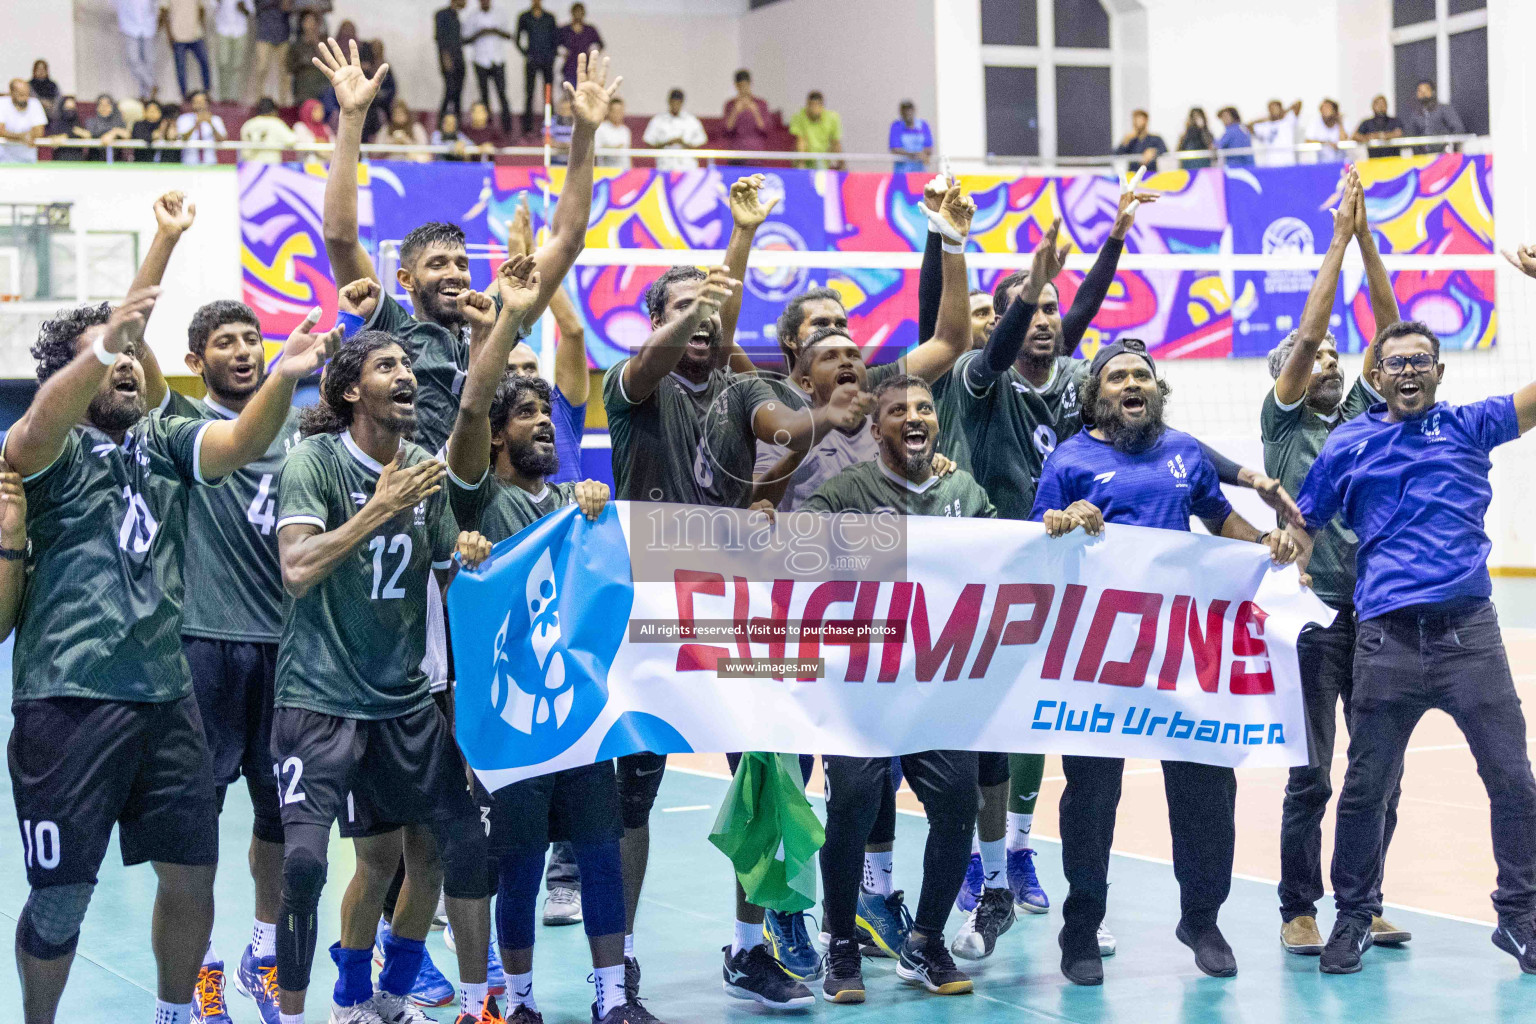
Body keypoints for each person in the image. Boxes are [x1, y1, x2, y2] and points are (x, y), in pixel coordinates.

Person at [319, 36, 610, 1005]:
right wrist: (354, 119)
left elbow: (564, 245)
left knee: (460, 806)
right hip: (409, 560)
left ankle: (433, 971)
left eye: (460, 258)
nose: (454, 270)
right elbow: (338, 240)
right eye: (435, 261)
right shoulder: (388, 338)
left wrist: (582, 144)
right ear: (408, 280)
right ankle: (359, 972)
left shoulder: (498, 326)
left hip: (478, 538)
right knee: (399, 823)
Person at [2, 236, 333, 1024]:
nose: (124, 366)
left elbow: (238, 442)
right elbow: (39, 421)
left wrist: (285, 378)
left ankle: (174, 1014)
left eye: (129, 358)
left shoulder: (164, 440)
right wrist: (115, 328)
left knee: (191, 872)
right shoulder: (39, 455)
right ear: (70, 375)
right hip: (69, 700)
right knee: (62, 900)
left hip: (167, 696)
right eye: (105, 357)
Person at [1288, 245, 1536, 973]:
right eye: (1394, 362)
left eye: (1419, 360)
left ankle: (1520, 916)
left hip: (1471, 638)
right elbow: (1304, 524)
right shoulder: (1348, 443)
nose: (1407, 370)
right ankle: (1353, 918)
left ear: (1438, 371)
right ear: (1377, 376)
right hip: (1387, 643)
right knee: (1365, 790)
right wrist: (1287, 565)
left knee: (1514, 781)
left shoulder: (1470, 425)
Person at [1035, 339, 1299, 987]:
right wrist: (1065, 517)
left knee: (1207, 783)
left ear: (1156, 390)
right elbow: (1032, 534)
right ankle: (1082, 926)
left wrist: (1264, 543)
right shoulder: (1070, 459)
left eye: (1142, 376)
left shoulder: (1183, 451)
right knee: (1093, 794)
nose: (1133, 383)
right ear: (1098, 394)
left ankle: (1201, 918)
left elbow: (1217, 519)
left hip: (1181, 650)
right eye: (1119, 376)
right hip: (1097, 656)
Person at [444, 253, 663, 1024]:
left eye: (549, 414)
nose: (544, 423)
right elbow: (466, 420)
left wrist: (598, 502)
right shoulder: (476, 503)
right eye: (526, 416)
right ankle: (522, 1001)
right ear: (497, 436)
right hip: (508, 719)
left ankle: (611, 998)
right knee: (520, 862)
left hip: (580, 711)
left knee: (600, 850)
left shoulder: (579, 502)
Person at [269, 329, 498, 1024]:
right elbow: (299, 569)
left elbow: (439, 570)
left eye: (408, 364)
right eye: (387, 365)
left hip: (403, 699)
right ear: (349, 390)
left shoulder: (425, 467)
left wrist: (467, 550)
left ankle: (389, 998)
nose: (407, 374)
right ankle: (314, 1006)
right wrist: (379, 508)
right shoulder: (314, 461)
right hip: (321, 697)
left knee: (441, 851)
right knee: (314, 866)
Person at [802, 375, 992, 1004]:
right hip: (863, 686)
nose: (915, 418)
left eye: (925, 409)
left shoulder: (961, 489)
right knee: (853, 799)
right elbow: (798, 550)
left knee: (958, 800)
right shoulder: (847, 492)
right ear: (875, 427)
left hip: (936, 687)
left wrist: (1060, 530)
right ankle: (842, 944)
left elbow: (1008, 556)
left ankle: (926, 941)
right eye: (898, 411)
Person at [1263, 170, 1412, 959]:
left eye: (1326, 360)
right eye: (1305, 359)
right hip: (1313, 617)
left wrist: (1364, 238)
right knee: (1313, 774)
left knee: (1378, 774)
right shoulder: (1283, 427)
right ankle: (1299, 907)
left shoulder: (1364, 414)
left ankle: (1366, 901)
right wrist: (1332, 244)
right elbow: (1315, 333)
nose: (1322, 363)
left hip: (1382, 614)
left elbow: (1394, 335)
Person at [463, 0, 515, 135]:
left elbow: (509, 35)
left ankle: (507, 129)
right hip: (480, 60)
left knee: (502, 94)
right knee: (484, 96)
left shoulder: (500, 14)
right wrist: (481, 32)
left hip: (497, 59)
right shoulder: (472, 16)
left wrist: (495, 31)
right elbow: (465, 39)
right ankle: (488, 129)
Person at [515, 0, 558, 137]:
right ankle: (527, 128)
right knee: (529, 93)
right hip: (532, 60)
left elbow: (555, 39)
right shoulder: (524, 17)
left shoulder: (549, 17)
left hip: (547, 61)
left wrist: (552, 55)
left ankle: (550, 124)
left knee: (548, 93)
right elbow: (517, 38)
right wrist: (525, 53)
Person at [642, 88, 706, 172]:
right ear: (669, 102)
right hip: (665, 167)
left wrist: (682, 143)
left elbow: (701, 143)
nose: (675, 105)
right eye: (673, 102)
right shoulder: (658, 120)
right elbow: (649, 143)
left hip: (687, 167)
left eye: (678, 102)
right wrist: (667, 143)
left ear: (682, 103)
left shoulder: (692, 121)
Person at [163, 0, 212, 99]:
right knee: (180, 68)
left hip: (196, 35)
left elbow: (201, 9)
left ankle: (207, 92)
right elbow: (164, 12)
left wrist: (202, 28)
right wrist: (169, 35)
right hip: (177, 35)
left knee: (205, 62)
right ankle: (184, 96)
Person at [245, 0, 290, 105]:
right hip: (264, 33)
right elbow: (256, 7)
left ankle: (283, 104)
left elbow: (288, 7)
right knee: (261, 68)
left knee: (284, 71)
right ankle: (259, 102)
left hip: (283, 33)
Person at [1406, 78, 1466, 151]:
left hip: (1443, 154)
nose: (1423, 93)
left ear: (1433, 92)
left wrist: (1448, 145)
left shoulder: (1443, 109)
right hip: (1422, 157)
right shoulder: (1416, 114)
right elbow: (1411, 134)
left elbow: (1458, 128)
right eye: (1420, 91)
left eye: (1426, 90)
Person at [117, 0, 160, 100]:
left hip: (148, 28)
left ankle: (146, 96)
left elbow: (155, 7)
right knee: (133, 60)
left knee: (149, 63)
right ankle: (151, 84)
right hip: (130, 28)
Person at [788, 90, 842, 170]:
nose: (814, 109)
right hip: (805, 157)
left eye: (817, 105)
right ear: (807, 105)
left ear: (822, 106)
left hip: (822, 159)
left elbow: (835, 142)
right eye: (812, 105)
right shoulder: (798, 117)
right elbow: (800, 141)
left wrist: (840, 162)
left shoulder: (832, 118)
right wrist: (801, 162)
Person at [722, 69, 771, 156]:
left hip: (756, 150)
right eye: (741, 86)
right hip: (736, 150)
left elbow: (766, 129)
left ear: (750, 84)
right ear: (736, 86)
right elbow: (726, 130)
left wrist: (755, 112)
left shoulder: (761, 104)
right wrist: (735, 112)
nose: (744, 89)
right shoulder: (730, 105)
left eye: (746, 85)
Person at [286, 11, 330, 105]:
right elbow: (289, 68)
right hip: (303, 88)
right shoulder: (296, 45)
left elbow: (329, 62)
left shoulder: (324, 42)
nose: (310, 25)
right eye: (307, 21)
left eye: (313, 21)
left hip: (322, 87)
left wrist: (316, 42)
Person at [436, 0, 469, 124]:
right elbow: (440, 38)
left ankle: (457, 123)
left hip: (459, 60)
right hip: (448, 60)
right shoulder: (441, 14)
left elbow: (460, 40)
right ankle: (441, 123)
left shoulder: (457, 16)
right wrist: (446, 58)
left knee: (458, 93)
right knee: (450, 91)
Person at [557, 3, 602, 91]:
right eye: (576, 12)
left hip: (586, 67)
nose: (578, 14)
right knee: (570, 93)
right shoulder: (564, 30)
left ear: (584, 13)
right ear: (572, 13)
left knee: (585, 93)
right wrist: (562, 52)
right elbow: (555, 45)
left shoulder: (590, 30)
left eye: (580, 12)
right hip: (569, 67)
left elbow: (600, 44)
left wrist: (593, 53)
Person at [1, 79, 48, 163]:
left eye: (27, 94)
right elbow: (1, 131)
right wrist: (22, 136)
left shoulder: (35, 104)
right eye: (21, 94)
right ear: (12, 93)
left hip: (29, 159)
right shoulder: (2, 103)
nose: (25, 98)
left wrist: (14, 136)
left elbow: (39, 132)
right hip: (4, 159)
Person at [176, 90, 227, 165]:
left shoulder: (215, 119)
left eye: (202, 102)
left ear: (207, 103)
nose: (200, 104)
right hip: (189, 164)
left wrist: (211, 124)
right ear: (192, 104)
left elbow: (222, 139)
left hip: (210, 163)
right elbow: (182, 138)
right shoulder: (183, 119)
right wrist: (195, 125)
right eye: (197, 102)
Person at [212, 0, 249, 102]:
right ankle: (223, 97)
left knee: (237, 65)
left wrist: (243, 7)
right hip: (223, 30)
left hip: (240, 30)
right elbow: (212, 7)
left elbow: (250, 11)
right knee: (223, 63)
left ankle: (234, 97)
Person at [241, 95, 298, 162]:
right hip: (269, 167)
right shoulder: (275, 123)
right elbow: (291, 140)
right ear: (274, 110)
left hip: (249, 166)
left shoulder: (248, 124)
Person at [1250, 99, 1302, 167]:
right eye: (1270, 109)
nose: (1273, 110)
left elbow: (1299, 103)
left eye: (1275, 108)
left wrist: (1284, 112)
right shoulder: (1265, 125)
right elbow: (1248, 126)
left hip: (1288, 162)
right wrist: (1265, 119)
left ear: (1280, 108)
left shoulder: (1288, 120)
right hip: (1271, 163)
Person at [1113, 109, 1166, 175]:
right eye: (1135, 120)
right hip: (1133, 175)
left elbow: (1164, 150)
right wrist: (1125, 141)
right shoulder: (1130, 140)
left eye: (1140, 119)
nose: (1138, 122)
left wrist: (1154, 151)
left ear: (1146, 121)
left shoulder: (1155, 138)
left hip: (1150, 175)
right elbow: (1117, 154)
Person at [1354, 94, 1403, 160]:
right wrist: (1368, 137)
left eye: (1383, 104)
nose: (1381, 107)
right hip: (1374, 162)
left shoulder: (1394, 121)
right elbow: (1355, 136)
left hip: (1393, 160)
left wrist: (1383, 136)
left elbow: (1398, 133)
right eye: (1378, 104)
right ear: (1373, 106)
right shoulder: (1367, 123)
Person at [888, 99, 932, 173]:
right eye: (904, 110)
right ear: (901, 112)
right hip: (902, 171)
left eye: (909, 109)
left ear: (914, 110)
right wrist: (916, 154)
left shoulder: (923, 125)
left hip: (920, 170)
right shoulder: (897, 126)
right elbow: (895, 149)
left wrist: (923, 155)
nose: (907, 113)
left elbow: (928, 147)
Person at [43, 95, 91, 162]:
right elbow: (51, 139)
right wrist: (58, 138)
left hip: (78, 161)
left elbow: (87, 136)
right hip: (60, 160)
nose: (70, 111)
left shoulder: (79, 123)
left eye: (72, 108)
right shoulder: (56, 124)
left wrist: (82, 134)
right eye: (67, 108)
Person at [84, 93, 129, 161]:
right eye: (101, 105)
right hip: (95, 160)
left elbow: (127, 134)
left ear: (112, 107)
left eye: (107, 105)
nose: (104, 108)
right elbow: (90, 134)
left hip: (116, 160)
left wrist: (114, 132)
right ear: (97, 107)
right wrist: (106, 137)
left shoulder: (118, 121)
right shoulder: (91, 121)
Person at [1303, 98, 1348, 163]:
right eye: (1323, 109)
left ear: (1335, 110)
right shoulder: (1315, 122)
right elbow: (1308, 141)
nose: (1325, 111)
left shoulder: (1342, 122)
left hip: (1340, 162)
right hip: (1321, 163)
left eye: (1328, 108)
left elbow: (1344, 141)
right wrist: (1327, 144)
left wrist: (1340, 123)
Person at [593, 95, 630, 168]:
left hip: (624, 171)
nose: (618, 114)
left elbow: (628, 155)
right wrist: (614, 149)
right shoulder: (601, 128)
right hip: (607, 171)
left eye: (620, 111)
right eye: (615, 111)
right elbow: (596, 150)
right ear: (608, 112)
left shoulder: (625, 130)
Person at [291, 96, 331, 161]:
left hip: (326, 166)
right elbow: (305, 144)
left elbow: (333, 143)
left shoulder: (325, 128)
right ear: (307, 111)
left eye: (321, 110)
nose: (320, 113)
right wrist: (318, 141)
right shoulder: (300, 127)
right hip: (306, 166)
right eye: (316, 110)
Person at [548, 92, 574, 165]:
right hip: (555, 161)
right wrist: (561, 145)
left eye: (568, 109)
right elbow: (546, 140)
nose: (565, 112)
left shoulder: (577, 123)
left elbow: (582, 141)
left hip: (573, 163)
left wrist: (570, 145)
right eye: (563, 109)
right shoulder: (551, 121)